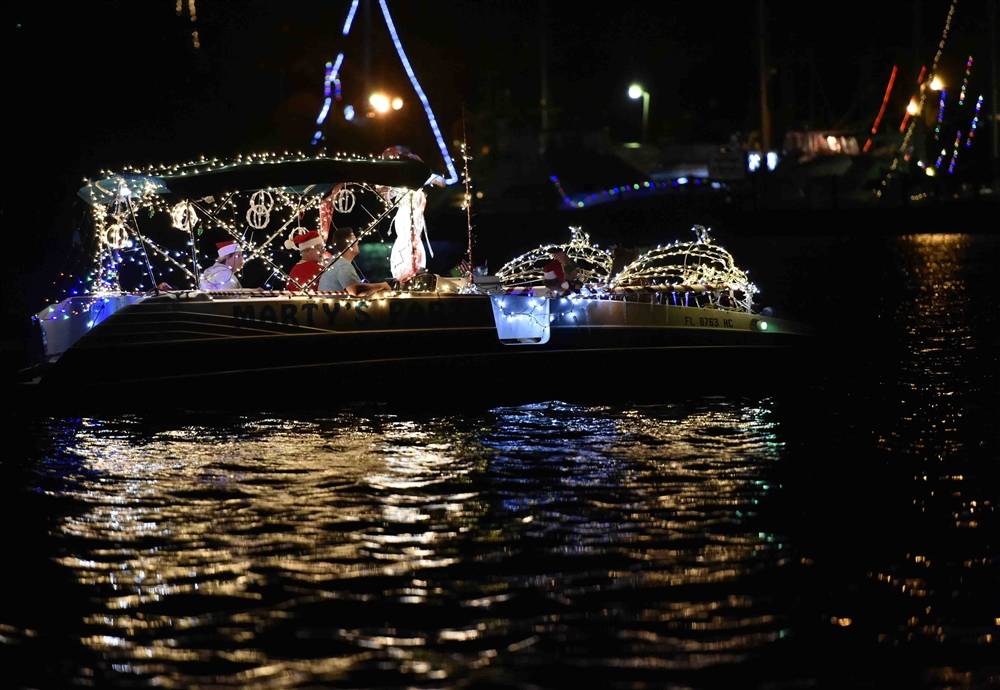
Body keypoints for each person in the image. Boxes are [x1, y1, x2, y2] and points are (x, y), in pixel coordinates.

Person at [318, 227, 393, 297]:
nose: (357, 241)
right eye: (354, 238)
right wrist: (382, 285)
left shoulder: (336, 261)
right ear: (349, 244)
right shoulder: (342, 264)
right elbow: (355, 291)